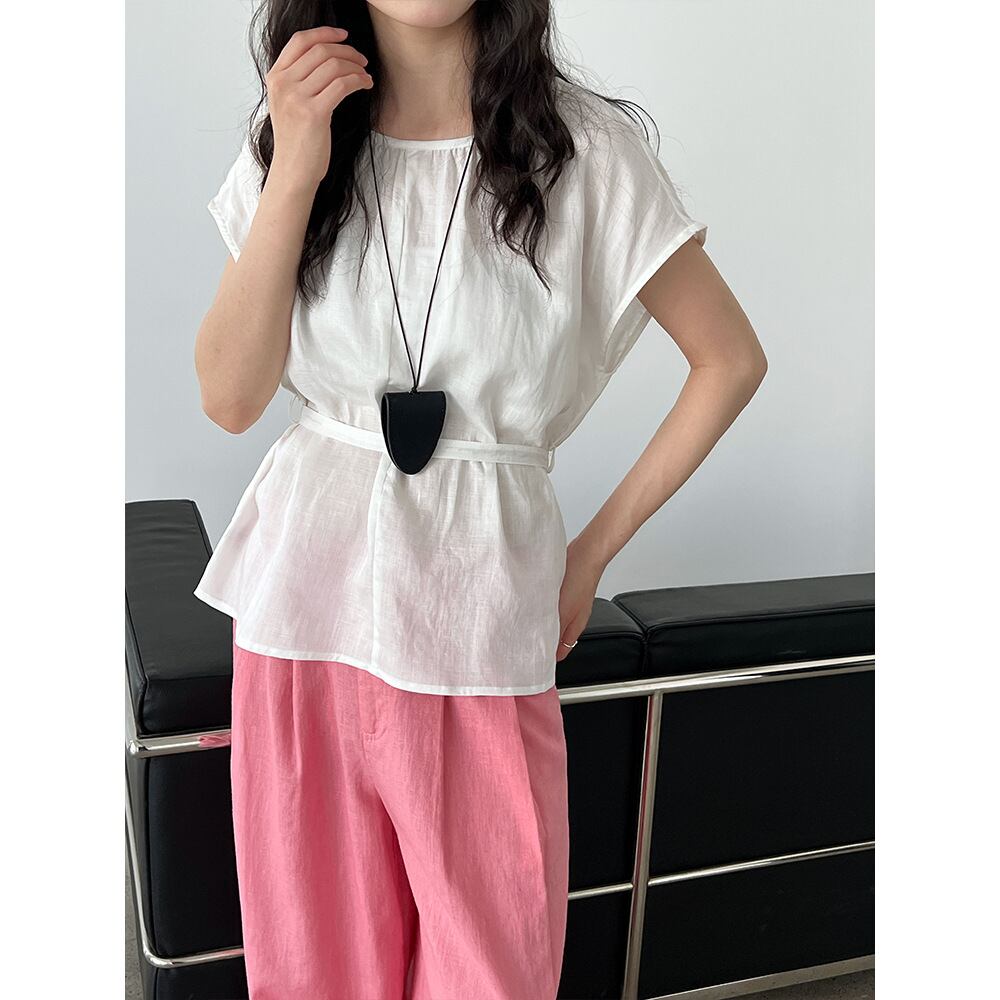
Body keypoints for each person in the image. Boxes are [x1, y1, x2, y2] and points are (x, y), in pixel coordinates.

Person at [192, 1, 767, 998]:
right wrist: (296, 165)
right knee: (312, 973)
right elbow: (231, 398)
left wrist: (589, 555)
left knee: (490, 972)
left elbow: (729, 360)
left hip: (477, 624)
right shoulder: (297, 132)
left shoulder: (584, 151)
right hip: (301, 622)